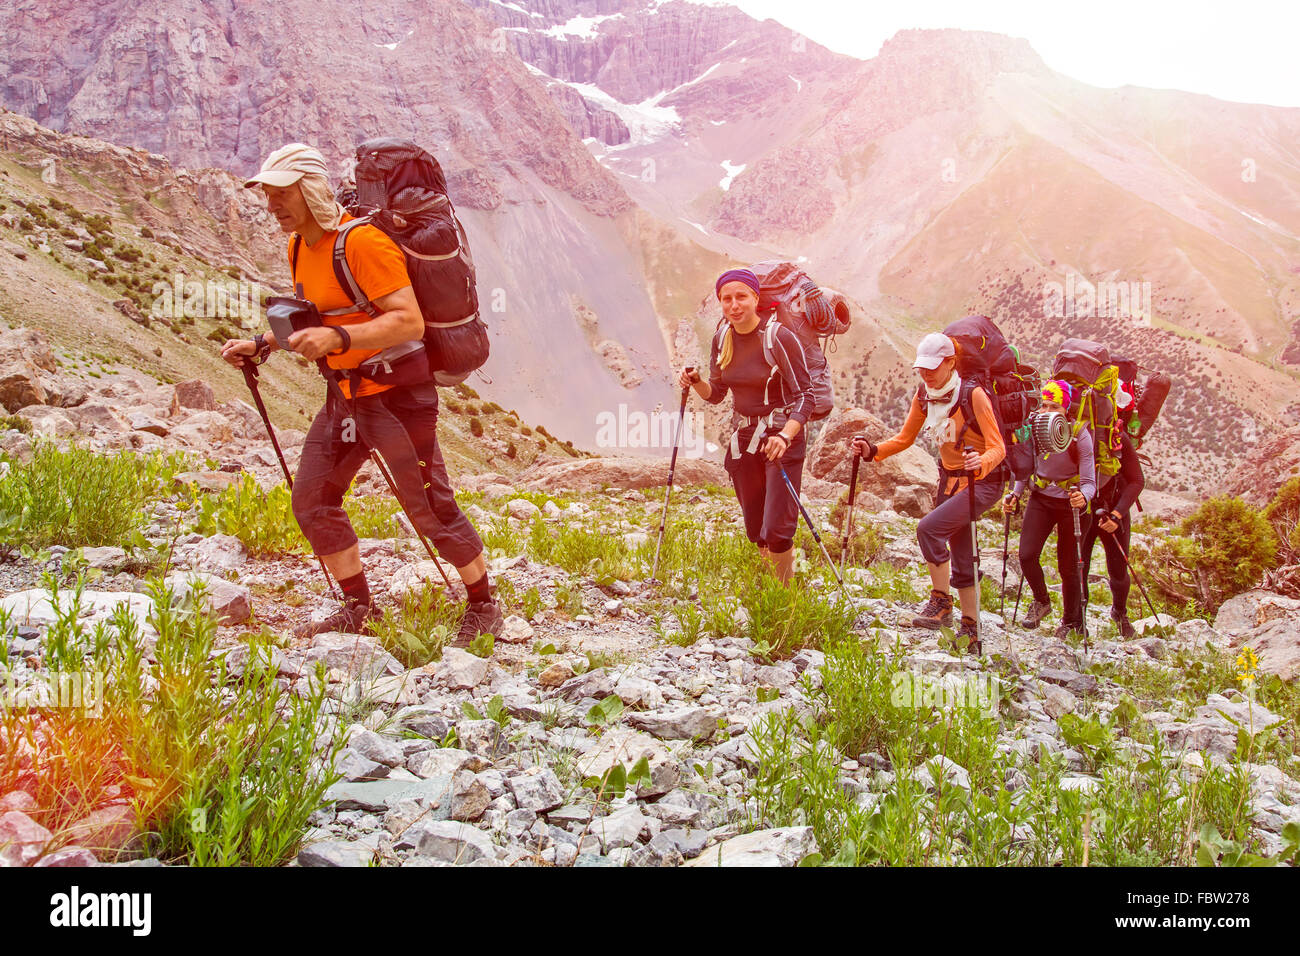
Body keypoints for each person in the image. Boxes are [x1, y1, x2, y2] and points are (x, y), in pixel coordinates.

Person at [220, 143, 503, 645]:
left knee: (430, 508)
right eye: (268, 194)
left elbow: (407, 320)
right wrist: (264, 343)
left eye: (283, 193)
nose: (273, 205)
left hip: (398, 397)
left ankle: (484, 604)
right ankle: (358, 607)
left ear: (310, 190)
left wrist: (339, 340)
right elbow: (323, 313)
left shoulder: (362, 244)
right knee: (312, 500)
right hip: (345, 397)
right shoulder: (299, 246)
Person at [853, 332, 1005, 650]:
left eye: (932, 368)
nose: (926, 374)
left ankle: (941, 603)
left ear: (951, 363)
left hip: (982, 483)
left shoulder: (973, 395)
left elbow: (998, 447)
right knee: (962, 553)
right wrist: (873, 450)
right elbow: (906, 438)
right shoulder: (925, 395)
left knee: (929, 529)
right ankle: (970, 629)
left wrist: (981, 462)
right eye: (922, 368)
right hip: (949, 481)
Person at [678, 269, 816, 583]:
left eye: (741, 296)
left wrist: (785, 435)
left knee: (777, 529)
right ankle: (771, 591)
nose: (734, 304)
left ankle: (786, 598)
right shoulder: (721, 337)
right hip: (745, 438)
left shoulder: (778, 337)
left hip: (782, 436)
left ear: (756, 298)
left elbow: (806, 396)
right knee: (756, 528)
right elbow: (716, 395)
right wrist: (697, 381)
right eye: (726, 299)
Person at [1002, 380, 1095, 639]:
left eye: (1054, 406)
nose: (1046, 412)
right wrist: (1015, 493)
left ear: (1066, 410)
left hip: (1070, 503)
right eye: (1043, 405)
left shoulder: (1079, 434)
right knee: (1026, 555)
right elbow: (1026, 467)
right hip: (1041, 498)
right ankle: (1042, 601)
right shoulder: (1034, 430)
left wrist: (1083, 498)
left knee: (1069, 567)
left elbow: (1089, 482)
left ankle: (1072, 622)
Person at [1079, 391, 1145, 638]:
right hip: (1095, 510)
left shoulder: (1118, 439)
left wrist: (1116, 514)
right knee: (1079, 567)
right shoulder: (1077, 436)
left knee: (1115, 569)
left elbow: (1137, 480)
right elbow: (1137, 481)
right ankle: (1077, 617)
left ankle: (1119, 611)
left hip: (1106, 511)